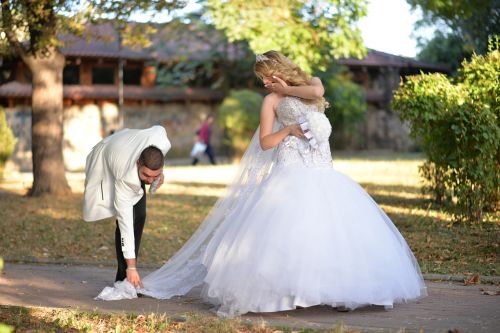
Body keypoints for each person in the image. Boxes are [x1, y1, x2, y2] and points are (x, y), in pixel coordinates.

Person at [96, 51, 427, 317]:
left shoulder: (308, 86)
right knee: (290, 233)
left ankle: (339, 290)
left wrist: (286, 89)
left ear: (281, 71)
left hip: (325, 173)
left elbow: (317, 91)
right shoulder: (270, 102)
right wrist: (290, 130)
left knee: (333, 232)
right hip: (291, 169)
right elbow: (267, 142)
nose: (267, 84)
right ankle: (288, 294)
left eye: (269, 77)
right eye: (264, 80)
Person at [83, 125, 171, 289]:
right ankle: (124, 277)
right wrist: (132, 266)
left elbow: (159, 129)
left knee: (141, 215)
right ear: (138, 163)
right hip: (107, 155)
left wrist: (158, 175)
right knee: (130, 219)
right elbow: (125, 224)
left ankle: (126, 275)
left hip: (128, 144)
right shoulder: (125, 175)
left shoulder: (162, 143)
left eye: (155, 175)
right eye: (146, 175)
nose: (150, 181)